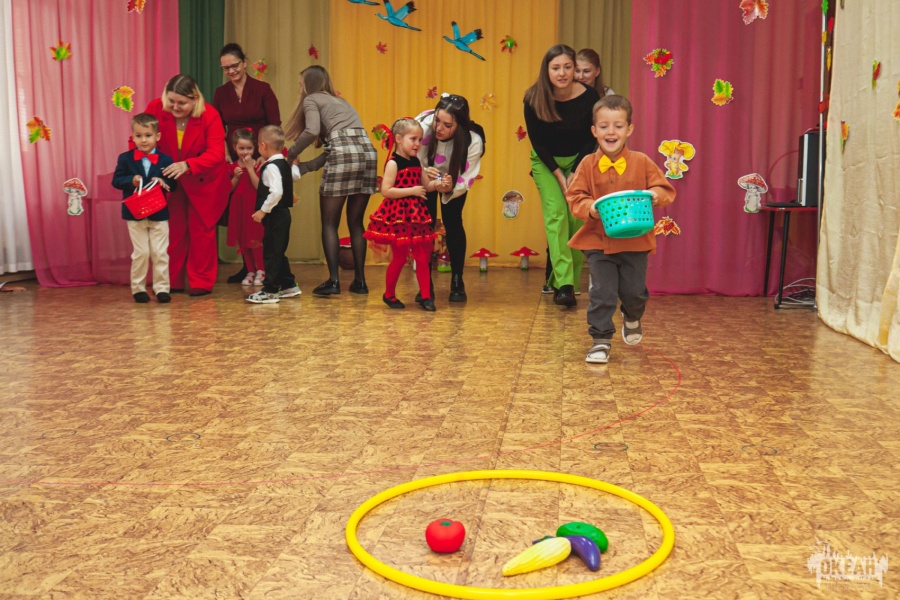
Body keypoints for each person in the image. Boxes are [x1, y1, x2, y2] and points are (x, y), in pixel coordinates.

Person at [565, 95, 675, 364]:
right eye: (604, 126)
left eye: (618, 126)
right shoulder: (587, 164)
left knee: (634, 293)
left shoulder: (642, 161)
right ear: (594, 131)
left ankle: (632, 315)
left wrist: (656, 195)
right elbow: (575, 197)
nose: (611, 132)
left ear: (629, 129)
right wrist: (590, 207)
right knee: (602, 293)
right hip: (598, 242)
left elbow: (664, 188)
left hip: (635, 241)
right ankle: (600, 340)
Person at [284, 65, 376, 296]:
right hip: (367, 154)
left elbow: (312, 131)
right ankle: (360, 282)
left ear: (309, 84)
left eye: (300, 84)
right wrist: (306, 167)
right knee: (356, 223)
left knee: (329, 223)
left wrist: (290, 156)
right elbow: (336, 148)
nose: (300, 89)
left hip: (345, 156)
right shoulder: (341, 103)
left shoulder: (311, 99)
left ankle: (334, 281)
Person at [524, 44, 600, 308]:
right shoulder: (533, 97)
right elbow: (537, 142)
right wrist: (559, 175)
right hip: (546, 163)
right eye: (556, 68)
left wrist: (576, 171)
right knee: (557, 214)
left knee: (575, 218)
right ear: (546, 70)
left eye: (568, 67)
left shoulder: (590, 96)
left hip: (580, 161)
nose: (562, 73)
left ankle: (566, 281)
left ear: (574, 68)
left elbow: (590, 138)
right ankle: (565, 285)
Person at [141, 74, 231, 296]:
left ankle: (201, 282)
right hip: (169, 180)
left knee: (202, 232)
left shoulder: (210, 115)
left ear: (194, 99)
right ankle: (171, 281)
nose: (175, 107)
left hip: (203, 181)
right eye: (171, 101)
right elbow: (140, 138)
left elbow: (217, 153)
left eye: (181, 103)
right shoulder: (155, 108)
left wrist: (188, 165)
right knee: (172, 231)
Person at [212, 42, 281, 284]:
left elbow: (274, 125)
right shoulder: (221, 93)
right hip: (235, 158)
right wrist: (225, 152)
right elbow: (216, 126)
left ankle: (265, 266)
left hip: (261, 157)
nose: (231, 71)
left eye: (235, 66)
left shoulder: (262, 89)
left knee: (260, 211)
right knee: (240, 213)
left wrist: (265, 154)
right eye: (226, 68)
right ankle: (248, 267)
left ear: (244, 63)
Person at [416, 93, 485, 303]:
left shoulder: (473, 141)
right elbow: (410, 158)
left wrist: (449, 187)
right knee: (425, 225)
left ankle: (457, 280)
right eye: (437, 120)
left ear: (460, 126)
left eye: (447, 125)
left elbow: (467, 176)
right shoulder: (423, 127)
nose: (439, 128)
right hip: (424, 175)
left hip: (454, 180)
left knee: (453, 222)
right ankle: (425, 282)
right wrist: (424, 175)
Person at [364, 118, 439, 311]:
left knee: (422, 257)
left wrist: (439, 184)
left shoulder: (416, 161)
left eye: (420, 140)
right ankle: (389, 294)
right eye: (413, 139)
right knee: (399, 258)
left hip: (416, 216)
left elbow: (427, 185)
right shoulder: (393, 163)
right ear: (398, 139)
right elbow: (386, 190)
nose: (417, 144)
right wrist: (412, 191)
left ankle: (426, 296)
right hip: (398, 216)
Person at [112, 113, 178, 303]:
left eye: (148, 135)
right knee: (141, 253)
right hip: (135, 214)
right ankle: (138, 288)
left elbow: (174, 185)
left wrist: (163, 182)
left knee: (160, 253)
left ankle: (162, 289)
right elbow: (116, 181)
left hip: (159, 213)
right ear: (132, 137)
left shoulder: (166, 160)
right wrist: (131, 180)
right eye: (139, 135)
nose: (143, 140)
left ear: (157, 136)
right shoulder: (125, 159)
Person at [245, 126, 303, 304]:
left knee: (271, 252)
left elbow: (276, 192)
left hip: (275, 215)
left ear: (262, 146)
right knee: (278, 251)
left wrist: (263, 210)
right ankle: (289, 285)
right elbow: (295, 176)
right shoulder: (284, 164)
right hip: (283, 215)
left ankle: (270, 290)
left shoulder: (270, 167)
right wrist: (295, 166)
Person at [226, 128, 265, 286]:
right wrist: (235, 177)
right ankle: (250, 270)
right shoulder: (233, 166)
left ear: (255, 148)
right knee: (243, 241)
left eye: (249, 148)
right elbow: (228, 189)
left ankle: (261, 270)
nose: (245, 152)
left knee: (255, 240)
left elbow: (259, 187)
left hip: (254, 207)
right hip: (239, 207)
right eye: (241, 148)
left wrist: (250, 168)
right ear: (234, 148)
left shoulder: (258, 165)